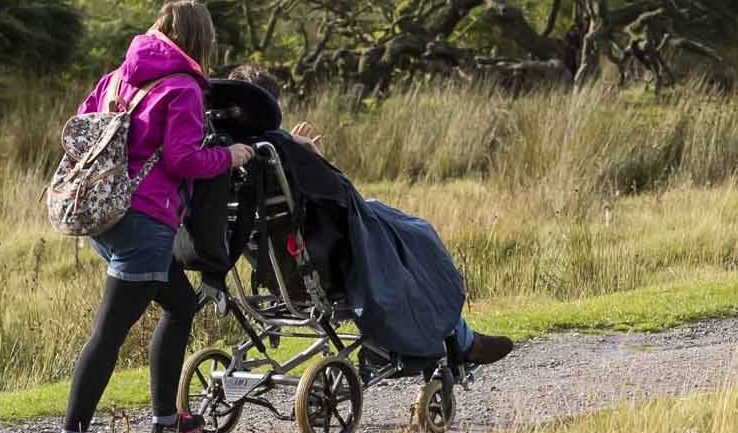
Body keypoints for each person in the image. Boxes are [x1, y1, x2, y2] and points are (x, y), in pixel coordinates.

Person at [206, 66, 515, 368]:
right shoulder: (280, 149)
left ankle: (462, 337)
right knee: (417, 240)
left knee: (400, 236)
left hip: (278, 273)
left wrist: (300, 152)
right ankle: (463, 340)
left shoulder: (228, 152)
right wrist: (312, 155)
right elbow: (343, 195)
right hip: (328, 260)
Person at [55, 0, 254, 433]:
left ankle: (167, 419)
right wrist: (232, 157)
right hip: (144, 221)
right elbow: (182, 160)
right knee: (108, 333)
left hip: (104, 214)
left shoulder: (117, 78)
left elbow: (82, 128)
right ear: (200, 39)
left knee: (180, 304)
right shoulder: (183, 87)